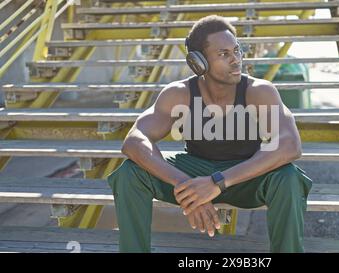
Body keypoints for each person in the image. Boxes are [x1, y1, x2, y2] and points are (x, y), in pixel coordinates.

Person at [107, 15, 313, 253]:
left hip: (245, 175)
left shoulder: (258, 91)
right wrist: (188, 188)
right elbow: (134, 141)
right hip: (194, 172)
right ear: (198, 63)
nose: (236, 60)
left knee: (289, 178)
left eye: (237, 51)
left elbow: (290, 146)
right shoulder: (179, 94)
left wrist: (217, 182)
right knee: (129, 173)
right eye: (224, 54)